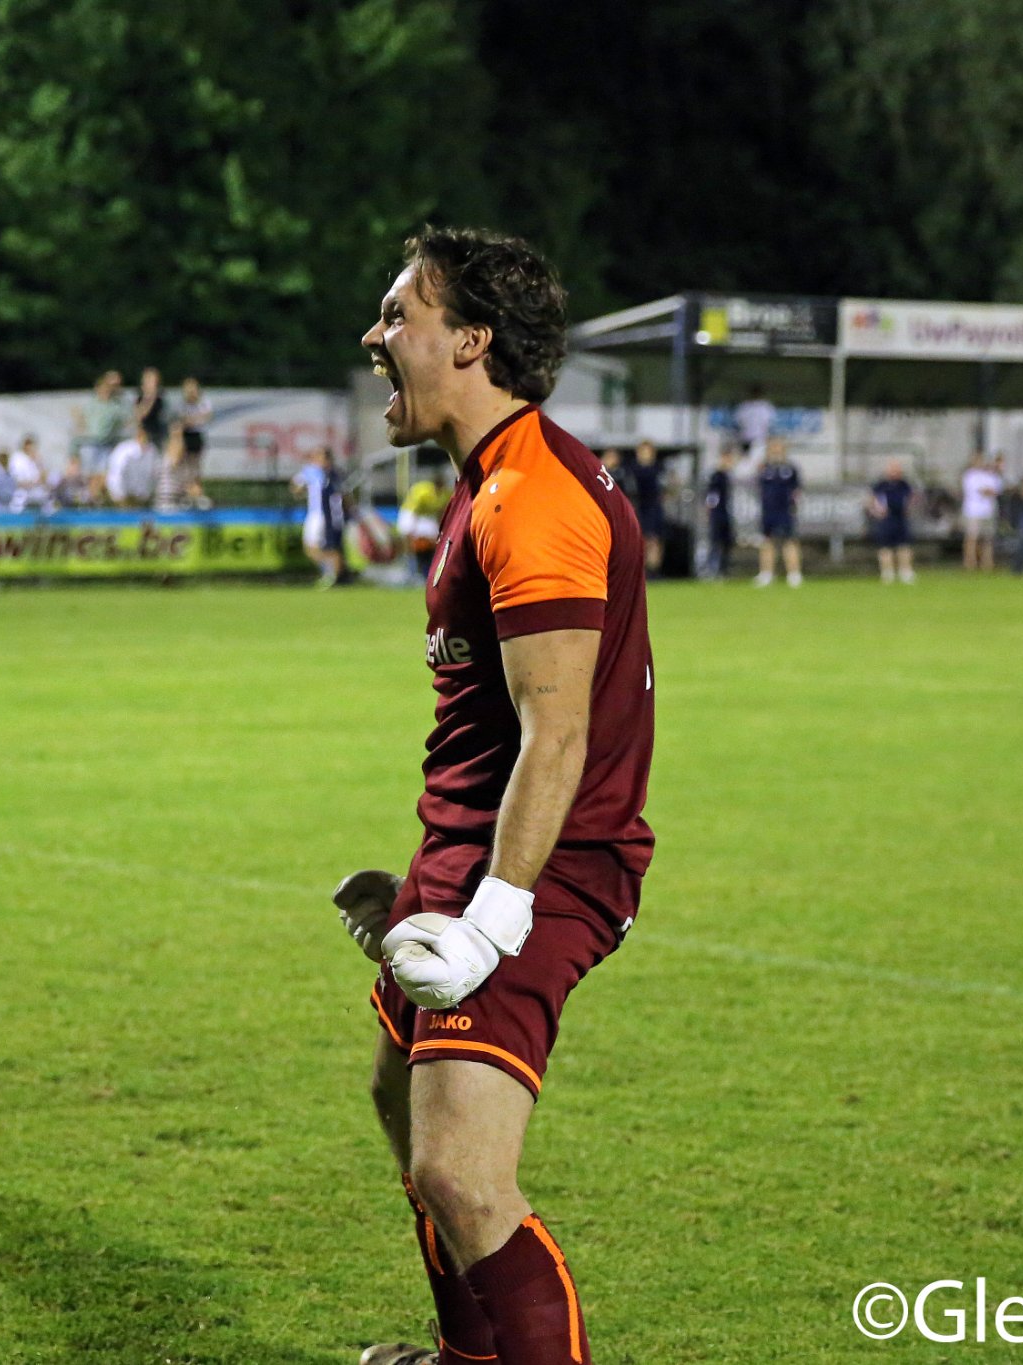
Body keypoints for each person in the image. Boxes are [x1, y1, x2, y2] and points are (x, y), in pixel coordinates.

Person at [341, 226, 654, 1365]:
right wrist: (425, 878)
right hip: (467, 860)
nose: (375, 337)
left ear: (470, 340)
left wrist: (493, 917)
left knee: (462, 1176)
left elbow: (556, 731)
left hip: (543, 869)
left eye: (398, 316)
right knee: (399, 1100)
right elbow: (489, 729)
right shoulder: (491, 483)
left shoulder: (532, 498)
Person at [291, 445, 345, 587]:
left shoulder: (332, 473)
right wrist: (300, 489)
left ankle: (334, 576)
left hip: (327, 515)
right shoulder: (312, 471)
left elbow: (344, 495)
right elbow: (296, 487)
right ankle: (331, 572)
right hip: (316, 514)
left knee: (329, 547)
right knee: (311, 548)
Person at [754, 437, 803, 586]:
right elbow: (759, 487)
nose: (776, 450)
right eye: (773, 447)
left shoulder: (790, 469)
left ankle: (794, 574)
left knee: (789, 541)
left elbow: (797, 490)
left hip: (785, 511)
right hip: (768, 511)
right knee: (767, 542)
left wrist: (794, 505)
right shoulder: (764, 468)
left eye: (778, 447)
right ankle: (766, 573)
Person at [398, 460, 453, 580]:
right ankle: (409, 566)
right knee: (409, 534)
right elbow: (414, 510)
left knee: (434, 537)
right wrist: (413, 528)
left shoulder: (445, 494)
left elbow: (441, 511)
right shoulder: (423, 491)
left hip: (427, 516)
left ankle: (427, 566)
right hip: (411, 513)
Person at [869, 457, 916, 583]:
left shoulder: (904, 484)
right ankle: (887, 572)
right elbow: (871, 500)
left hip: (900, 517)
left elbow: (912, 498)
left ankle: (905, 571)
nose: (895, 472)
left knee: (904, 546)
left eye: (897, 469)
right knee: (885, 547)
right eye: (893, 469)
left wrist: (909, 508)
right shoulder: (881, 485)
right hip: (886, 518)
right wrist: (876, 511)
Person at [75, 370, 127, 473]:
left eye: (107, 389)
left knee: (103, 474)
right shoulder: (90, 404)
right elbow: (81, 421)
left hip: (106, 444)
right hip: (90, 443)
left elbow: (123, 421)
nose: (105, 391)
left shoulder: (115, 406)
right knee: (89, 474)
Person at [960, 452, 1004, 572]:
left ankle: (987, 563)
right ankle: (970, 562)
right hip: (973, 511)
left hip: (988, 511)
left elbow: (997, 490)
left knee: (988, 538)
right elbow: (981, 490)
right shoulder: (969, 476)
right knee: (972, 537)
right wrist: (988, 491)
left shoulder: (990, 475)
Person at [629, 439, 666, 573]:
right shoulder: (633, 470)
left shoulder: (658, 468)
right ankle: (642, 571)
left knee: (655, 540)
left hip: (654, 508)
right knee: (641, 540)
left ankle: (654, 570)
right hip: (640, 508)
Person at [105, 424, 159, 507]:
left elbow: (155, 475)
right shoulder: (123, 450)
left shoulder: (152, 451)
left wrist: (147, 496)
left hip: (144, 501)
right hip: (124, 500)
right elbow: (115, 476)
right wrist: (121, 498)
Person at [701, 448, 735, 579]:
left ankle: (723, 568)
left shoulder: (728, 475)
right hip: (718, 514)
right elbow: (712, 495)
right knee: (716, 541)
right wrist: (709, 510)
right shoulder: (717, 476)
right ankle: (713, 569)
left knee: (727, 542)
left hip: (727, 513)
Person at [8, 435, 52, 513]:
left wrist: (38, 462)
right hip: (23, 492)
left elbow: (44, 478)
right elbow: (16, 480)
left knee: (47, 501)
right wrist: (32, 483)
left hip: (37, 491)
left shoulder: (37, 459)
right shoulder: (17, 458)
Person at [734, 383, 774, 462]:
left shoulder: (765, 407)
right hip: (746, 439)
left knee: (758, 462)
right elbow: (738, 422)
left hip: (759, 439)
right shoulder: (744, 406)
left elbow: (769, 424)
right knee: (745, 462)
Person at [176, 376, 212, 464]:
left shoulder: (204, 402)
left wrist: (192, 420)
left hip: (198, 435)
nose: (190, 391)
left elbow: (207, 416)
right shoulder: (183, 404)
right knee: (185, 463)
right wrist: (195, 419)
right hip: (186, 435)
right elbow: (183, 420)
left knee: (196, 464)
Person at [134, 366, 170, 448]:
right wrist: (149, 397)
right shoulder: (140, 399)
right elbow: (140, 416)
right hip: (144, 437)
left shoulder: (161, 400)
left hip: (159, 437)